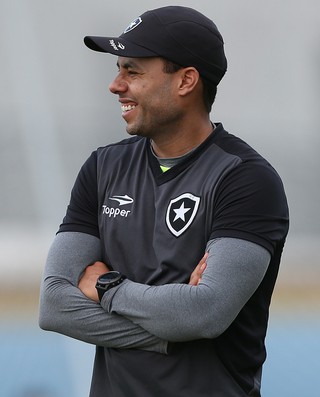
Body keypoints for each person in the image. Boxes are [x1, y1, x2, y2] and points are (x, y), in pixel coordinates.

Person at [39, 5, 289, 397]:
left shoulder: (246, 180)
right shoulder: (102, 167)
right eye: (118, 69)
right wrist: (167, 333)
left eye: (132, 71)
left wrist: (106, 287)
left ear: (186, 80)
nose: (115, 85)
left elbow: (204, 314)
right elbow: (54, 304)